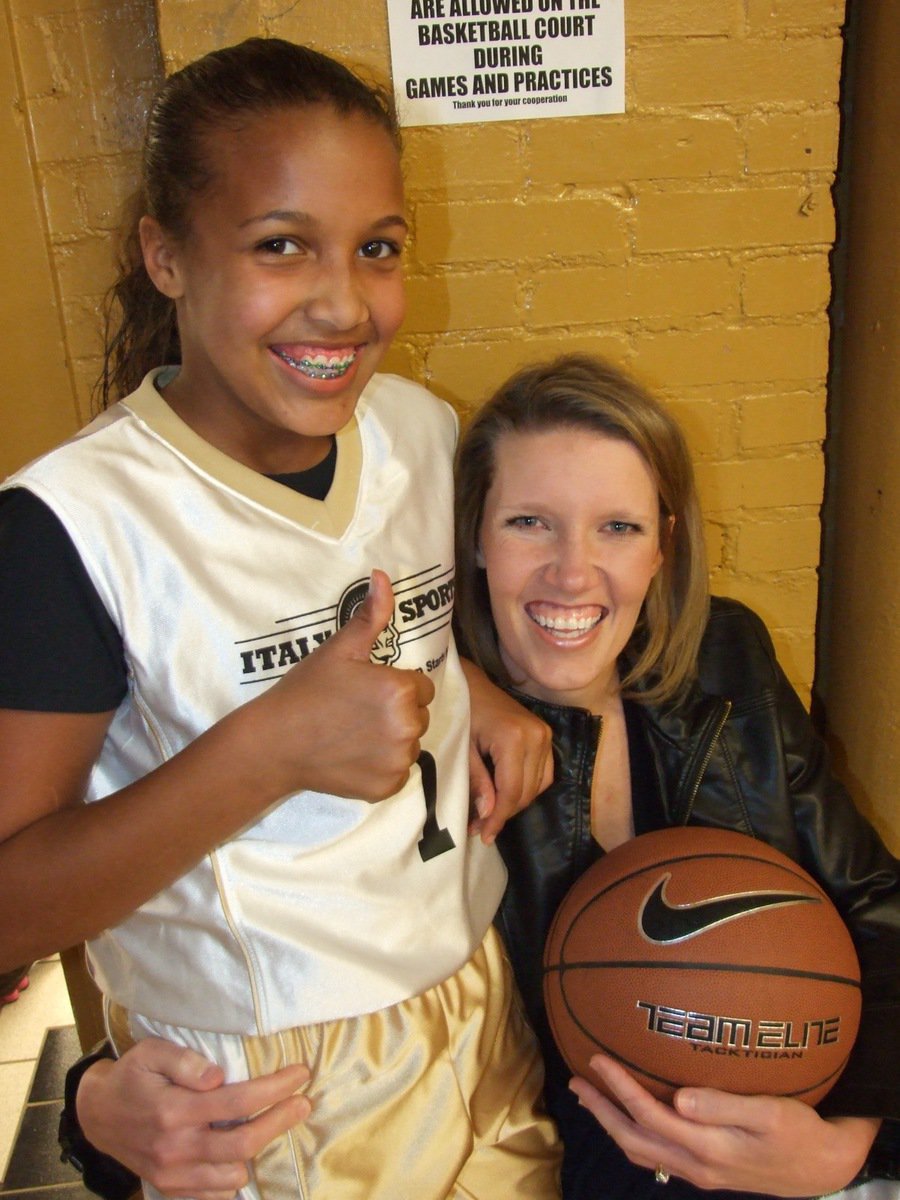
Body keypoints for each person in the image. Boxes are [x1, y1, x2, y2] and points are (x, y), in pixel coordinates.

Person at [0, 38, 562, 1200]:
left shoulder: (416, 428)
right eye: (280, 246)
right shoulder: (67, 529)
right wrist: (271, 749)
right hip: (269, 1090)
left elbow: (385, 615)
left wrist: (475, 688)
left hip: (472, 1001)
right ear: (166, 256)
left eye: (379, 249)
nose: (344, 303)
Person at [454, 353, 900, 1198]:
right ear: (473, 536)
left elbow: (877, 908)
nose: (574, 573)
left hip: (787, 1147)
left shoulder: (726, 659)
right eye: (528, 523)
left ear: (664, 544)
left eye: (616, 527)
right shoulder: (425, 731)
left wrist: (851, 1145)